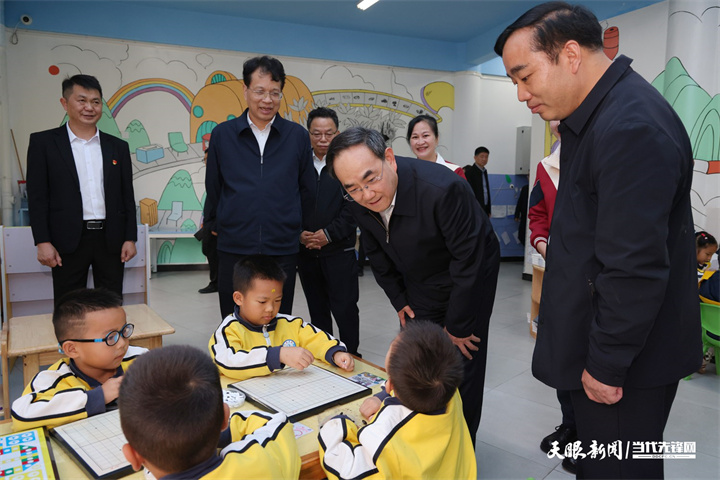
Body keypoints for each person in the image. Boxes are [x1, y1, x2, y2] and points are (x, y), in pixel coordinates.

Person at [496, 2, 701, 478]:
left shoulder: (630, 126)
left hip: (627, 365)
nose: (522, 94)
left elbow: (634, 267)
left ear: (570, 54)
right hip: (599, 345)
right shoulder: (595, 118)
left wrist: (607, 365)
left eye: (525, 76)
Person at [325, 126, 500, 442]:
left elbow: (469, 262)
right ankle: (420, 442)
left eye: (371, 179)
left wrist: (458, 325)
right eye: (353, 188)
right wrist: (399, 298)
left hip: (469, 277)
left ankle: (460, 450)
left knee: (460, 364)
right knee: (416, 359)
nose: (367, 195)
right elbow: (376, 250)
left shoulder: (443, 189)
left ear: (389, 158)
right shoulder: (355, 200)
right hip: (420, 276)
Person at [204, 55, 315, 318]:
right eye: (260, 91)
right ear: (245, 90)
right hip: (234, 244)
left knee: (277, 316)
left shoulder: (297, 136)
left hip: (282, 245)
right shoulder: (223, 134)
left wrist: (297, 227)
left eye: (275, 93)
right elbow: (214, 185)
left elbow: (306, 187)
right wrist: (218, 223)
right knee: (234, 316)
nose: (267, 100)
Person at [26, 74, 137, 305]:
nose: (89, 107)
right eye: (82, 100)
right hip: (67, 239)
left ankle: (112, 331)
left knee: (110, 303)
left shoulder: (117, 147)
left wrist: (130, 238)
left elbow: (127, 196)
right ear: (65, 103)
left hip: (110, 238)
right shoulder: (43, 143)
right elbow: (37, 197)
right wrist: (42, 241)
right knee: (69, 305)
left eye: (96, 102)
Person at [319, 321, 476, 480]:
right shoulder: (450, 392)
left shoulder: (385, 433)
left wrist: (337, 424)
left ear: (390, 385)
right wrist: (383, 397)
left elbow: (347, 471)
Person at [119, 345, 300, 479]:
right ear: (225, 418)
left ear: (133, 457)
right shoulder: (262, 463)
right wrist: (208, 427)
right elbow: (277, 424)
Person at [11, 288, 146, 430]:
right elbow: (21, 415)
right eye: (111, 337)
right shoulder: (53, 380)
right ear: (72, 349)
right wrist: (99, 397)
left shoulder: (139, 360)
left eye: (124, 331)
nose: (122, 343)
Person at [209, 255, 355, 380]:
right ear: (239, 298)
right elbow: (228, 361)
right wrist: (277, 355)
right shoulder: (228, 330)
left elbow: (316, 338)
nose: (270, 308)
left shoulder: (291, 324)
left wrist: (335, 353)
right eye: (262, 302)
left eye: (277, 300)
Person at [527, 121, 576, 474]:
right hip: (560, 275)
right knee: (562, 353)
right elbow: (537, 214)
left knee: (589, 356)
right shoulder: (547, 167)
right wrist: (544, 244)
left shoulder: (600, 155)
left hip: (597, 278)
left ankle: (591, 434)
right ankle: (569, 424)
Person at [298, 107, 361, 355]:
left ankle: (351, 354)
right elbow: (288, 201)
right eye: (316, 134)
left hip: (339, 252)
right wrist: (299, 233)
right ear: (309, 134)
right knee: (317, 309)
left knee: (345, 308)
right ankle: (327, 355)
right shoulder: (299, 164)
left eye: (329, 133)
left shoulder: (349, 164)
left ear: (337, 133)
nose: (323, 139)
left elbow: (354, 207)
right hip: (306, 252)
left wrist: (328, 234)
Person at [528, 120, 560, 259]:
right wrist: (544, 248)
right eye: (554, 118)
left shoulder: (600, 160)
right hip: (559, 261)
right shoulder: (545, 166)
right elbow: (538, 214)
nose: (559, 123)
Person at [406, 115, 466, 179]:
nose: (420, 142)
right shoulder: (405, 172)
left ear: (437, 138)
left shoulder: (454, 171)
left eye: (425, 135)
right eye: (415, 137)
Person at [196, 148, 219, 294]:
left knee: (215, 254)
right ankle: (215, 282)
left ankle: (216, 283)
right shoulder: (211, 177)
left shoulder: (221, 177)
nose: (205, 163)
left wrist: (216, 225)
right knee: (209, 251)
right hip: (209, 223)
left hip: (216, 225)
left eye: (207, 160)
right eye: (204, 160)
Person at [465, 146, 492, 216]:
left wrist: (488, 209)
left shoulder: (484, 171)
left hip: (485, 207)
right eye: (482, 156)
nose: (484, 159)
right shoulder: (469, 172)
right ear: (475, 157)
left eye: (486, 157)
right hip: (474, 209)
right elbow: (469, 193)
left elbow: (486, 191)